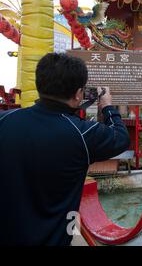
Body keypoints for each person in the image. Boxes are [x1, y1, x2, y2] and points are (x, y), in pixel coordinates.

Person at [0, 53, 130, 246]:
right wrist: (107, 107)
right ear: (78, 94)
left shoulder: (5, 120)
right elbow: (121, 137)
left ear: (39, 84)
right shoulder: (82, 134)